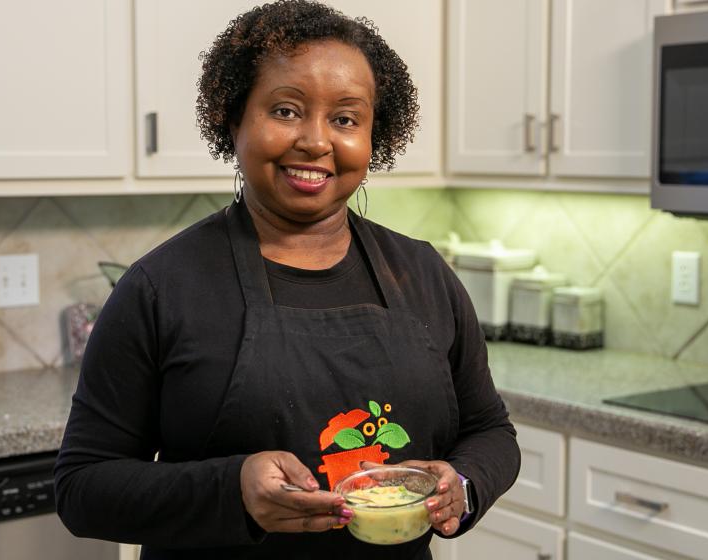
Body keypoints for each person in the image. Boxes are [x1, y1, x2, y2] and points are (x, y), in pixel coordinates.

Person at [54, 1, 520, 558]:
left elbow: (492, 431)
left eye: (346, 119)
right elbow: (82, 487)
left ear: (374, 135)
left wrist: (461, 486)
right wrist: (233, 490)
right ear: (235, 119)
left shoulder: (423, 274)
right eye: (286, 110)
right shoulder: (160, 288)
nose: (316, 142)